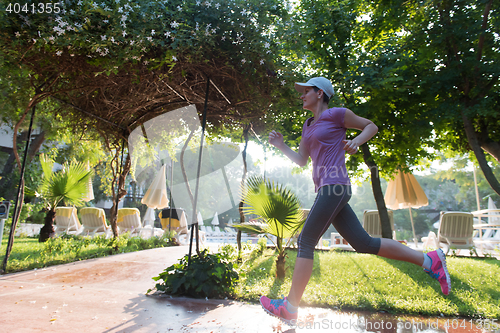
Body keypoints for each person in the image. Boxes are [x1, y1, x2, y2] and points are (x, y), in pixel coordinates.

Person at [260, 77, 451, 324]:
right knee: (363, 242)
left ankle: (291, 307)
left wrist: (355, 141)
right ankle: (429, 260)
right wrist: (280, 145)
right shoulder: (307, 125)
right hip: (326, 189)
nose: (301, 95)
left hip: (335, 185)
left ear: (320, 94)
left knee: (306, 240)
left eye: (306, 91)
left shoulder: (338, 114)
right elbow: (301, 160)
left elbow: (370, 126)